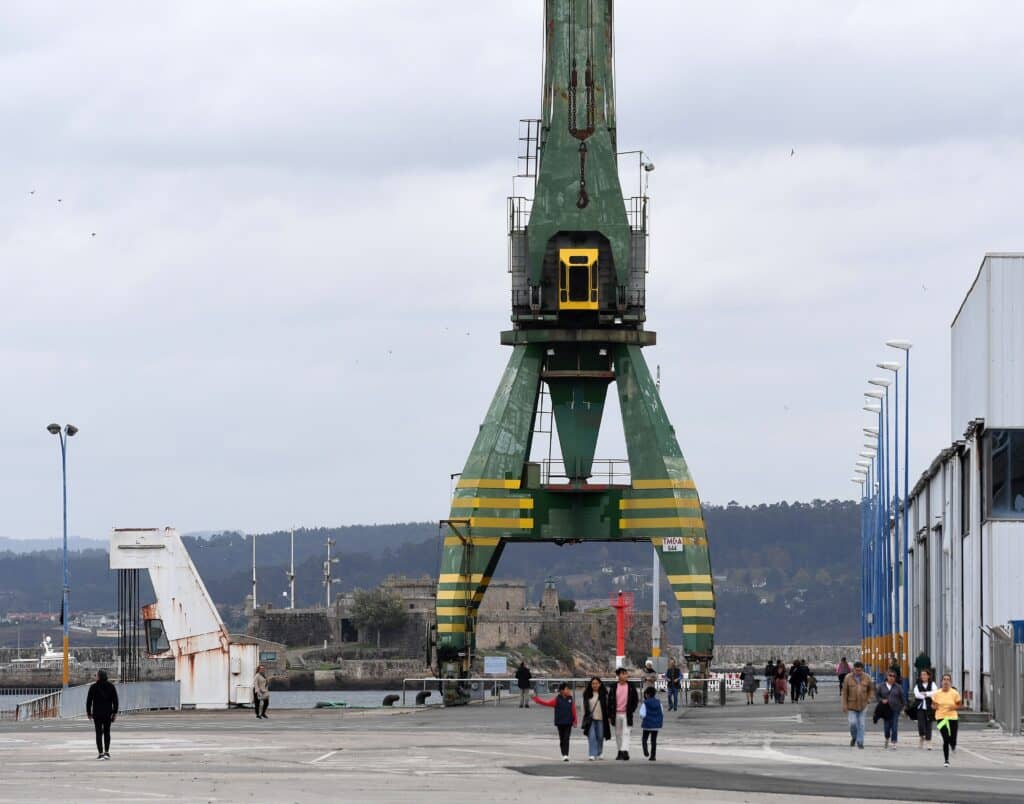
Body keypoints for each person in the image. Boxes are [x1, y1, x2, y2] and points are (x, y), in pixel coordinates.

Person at [532, 682, 578, 761]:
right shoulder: (557, 699)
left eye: (569, 689)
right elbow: (546, 703)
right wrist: (537, 699)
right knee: (562, 739)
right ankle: (563, 753)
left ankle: (566, 754)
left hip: (568, 722)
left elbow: (573, 710)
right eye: (567, 689)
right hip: (560, 722)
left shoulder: (570, 699)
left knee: (566, 738)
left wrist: (575, 720)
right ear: (562, 690)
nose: (569, 690)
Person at [86, 669, 119, 760]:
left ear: (99, 676)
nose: (95, 676)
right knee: (107, 732)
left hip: (97, 714)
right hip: (108, 713)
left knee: (98, 733)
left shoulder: (93, 687)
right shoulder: (111, 686)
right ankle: (107, 752)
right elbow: (115, 701)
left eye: (96, 675)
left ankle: (100, 753)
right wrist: (115, 713)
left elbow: (89, 701)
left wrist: (89, 713)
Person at [607, 666, 639, 760]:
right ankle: (620, 751)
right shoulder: (614, 687)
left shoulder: (631, 686)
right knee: (618, 733)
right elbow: (610, 701)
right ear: (618, 675)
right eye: (623, 673)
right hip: (616, 713)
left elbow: (635, 700)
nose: (625, 675)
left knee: (626, 732)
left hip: (627, 713)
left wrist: (631, 709)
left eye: (626, 673)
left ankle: (625, 751)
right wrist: (609, 715)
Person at [841, 661, 874, 749]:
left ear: (862, 670)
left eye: (860, 670)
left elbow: (871, 689)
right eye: (856, 670)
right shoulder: (848, 678)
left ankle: (860, 742)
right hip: (851, 705)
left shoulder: (867, 677)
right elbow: (844, 692)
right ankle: (854, 737)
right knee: (853, 723)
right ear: (853, 669)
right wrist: (844, 705)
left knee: (861, 724)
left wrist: (869, 699)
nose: (858, 672)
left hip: (863, 705)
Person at [931, 673, 962, 767]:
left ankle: (953, 745)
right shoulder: (937, 693)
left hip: (952, 717)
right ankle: (946, 760)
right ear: (941, 682)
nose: (946, 681)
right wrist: (934, 706)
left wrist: (954, 707)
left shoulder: (954, 693)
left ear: (950, 682)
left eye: (948, 680)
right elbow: (933, 705)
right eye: (944, 679)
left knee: (953, 738)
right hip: (941, 717)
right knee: (945, 739)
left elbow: (959, 704)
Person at [581, 676, 612, 760]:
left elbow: (608, 706)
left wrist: (609, 717)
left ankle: (599, 752)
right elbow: (583, 706)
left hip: (601, 719)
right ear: (591, 684)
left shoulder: (604, 694)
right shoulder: (587, 694)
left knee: (600, 736)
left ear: (600, 684)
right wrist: (584, 716)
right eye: (593, 683)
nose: (595, 685)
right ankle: (592, 754)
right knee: (591, 736)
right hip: (591, 719)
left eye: (596, 683)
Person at [876, 669, 905, 749]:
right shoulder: (881, 686)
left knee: (894, 726)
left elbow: (902, 698)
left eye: (894, 676)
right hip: (886, 710)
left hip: (895, 709)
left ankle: (894, 741)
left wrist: (903, 708)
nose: (892, 678)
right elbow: (877, 696)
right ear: (886, 677)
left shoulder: (898, 687)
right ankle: (887, 737)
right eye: (890, 676)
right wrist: (882, 700)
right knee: (887, 726)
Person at [913, 668, 937, 750]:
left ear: (928, 676)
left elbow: (935, 692)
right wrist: (927, 695)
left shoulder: (932, 684)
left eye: (924, 674)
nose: (923, 676)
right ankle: (921, 737)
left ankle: (929, 741)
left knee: (928, 724)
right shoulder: (917, 685)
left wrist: (926, 693)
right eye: (922, 675)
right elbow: (917, 694)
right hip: (920, 707)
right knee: (921, 724)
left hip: (929, 707)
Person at [639, 686, 663, 761]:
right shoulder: (659, 702)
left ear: (647, 694)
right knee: (654, 740)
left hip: (647, 724)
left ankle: (646, 751)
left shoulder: (645, 703)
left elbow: (642, 714)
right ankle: (653, 756)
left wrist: (644, 718)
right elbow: (661, 712)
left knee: (644, 739)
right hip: (656, 725)